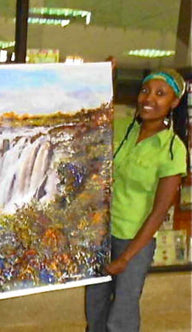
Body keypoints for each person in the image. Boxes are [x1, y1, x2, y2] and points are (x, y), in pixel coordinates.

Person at [85, 69, 188, 331]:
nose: (149, 98)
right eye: (145, 91)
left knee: (120, 316)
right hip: (102, 234)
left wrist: (126, 257)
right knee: (95, 308)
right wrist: (106, 77)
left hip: (135, 241)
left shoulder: (172, 149)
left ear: (174, 103)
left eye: (160, 94)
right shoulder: (124, 130)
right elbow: (92, 115)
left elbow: (158, 212)